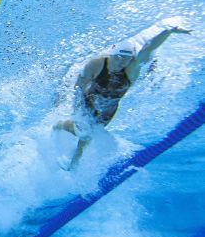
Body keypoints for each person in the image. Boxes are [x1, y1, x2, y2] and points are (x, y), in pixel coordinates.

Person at [54, 17, 192, 169]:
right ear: (112, 54)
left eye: (126, 59)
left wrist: (168, 32)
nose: (121, 62)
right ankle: (61, 128)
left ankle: (74, 161)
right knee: (84, 131)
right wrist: (77, 107)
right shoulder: (97, 63)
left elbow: (147, 49)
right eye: (118, 58)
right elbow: (80, 85)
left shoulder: (131, 70)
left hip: (109, 108)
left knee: (90, 133)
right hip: (88, 100)